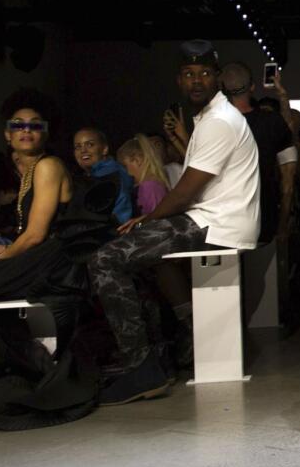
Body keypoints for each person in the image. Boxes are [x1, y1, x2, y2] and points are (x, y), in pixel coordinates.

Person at [87, 40, 261, 405]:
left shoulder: (219, 122)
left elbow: (185, 192)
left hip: (216, 223)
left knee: (104, 260)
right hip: (211, 218)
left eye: (204, 73)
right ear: (179, 80)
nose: (196, 80)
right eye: (188, 74)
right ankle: (164, 349)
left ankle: (141, 366)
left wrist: (147, 219)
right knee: (136, 258)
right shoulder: (210, 119)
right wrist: (148, 221)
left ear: (217, 78)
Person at [0, 90, 113, 429]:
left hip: (52, 263)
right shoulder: (30, 172)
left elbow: (35, 236)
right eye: (18, 125)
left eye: (34, 125)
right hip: (43, 257)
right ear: (7, 134)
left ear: (45, 132)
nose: (26, 131)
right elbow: (28, 234)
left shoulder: (47, 166)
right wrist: (3, 250)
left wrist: (3, 262)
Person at [219, 62, 298, 246]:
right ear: (252, 87)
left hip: (226, 220)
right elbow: (289, 137)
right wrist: (282, 94)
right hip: (263, 217)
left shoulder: (217, 124)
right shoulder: (271, 122)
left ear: (222, 89)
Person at [72, 127, 135, 224]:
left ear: (104, 149)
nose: (83, 150)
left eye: (90, 144)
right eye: (78, 146)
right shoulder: (91, 175)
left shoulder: (110, 174)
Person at [116, 134, 170, 216]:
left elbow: (157, 220)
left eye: (125, 166)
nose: (125, 172)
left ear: (137, 161)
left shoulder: (149, 186)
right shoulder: (152, 184)